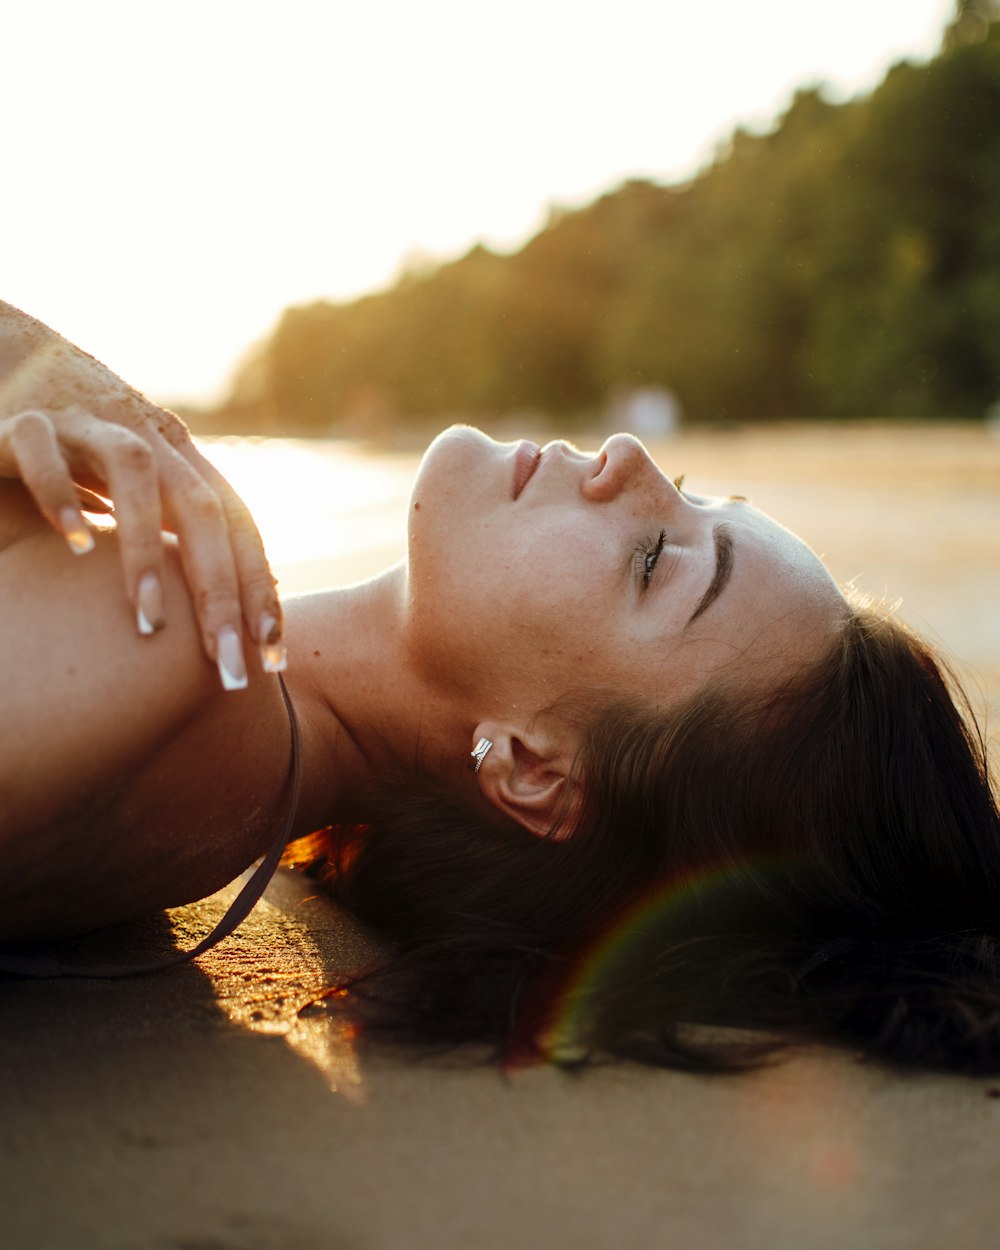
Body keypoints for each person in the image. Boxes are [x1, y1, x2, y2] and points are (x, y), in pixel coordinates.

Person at [1, 301, 998, 1073]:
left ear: (528, 767)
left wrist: (35, 368)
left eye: (654, 559)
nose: (631, 460)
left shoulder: (169, 631)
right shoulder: (222, 772)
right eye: (695, 493)